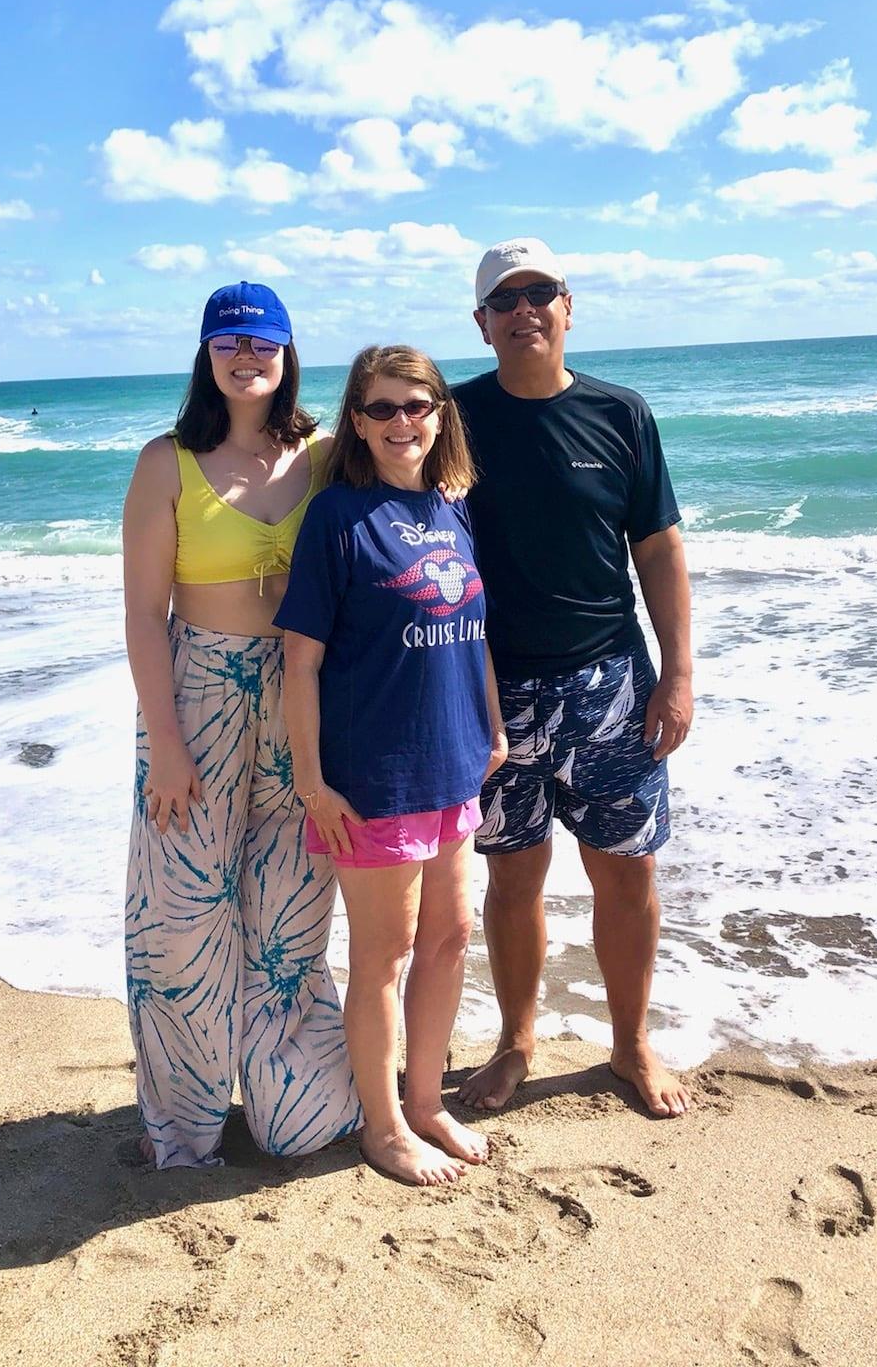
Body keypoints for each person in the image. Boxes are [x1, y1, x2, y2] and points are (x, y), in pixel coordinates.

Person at [452, 238, 694, 1119]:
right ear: (482, 325)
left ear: (567, 305)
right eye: (505, 301)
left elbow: (658, 546)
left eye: (540, 293)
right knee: (512, 879)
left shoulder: (622, 414)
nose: (525, 311)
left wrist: (677, 676)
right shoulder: (453, 419)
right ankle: (516, 1043)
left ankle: (630, 1045)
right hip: (493, 695)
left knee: (626, 875)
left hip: (614, 690)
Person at [121, 281, 361, 1168]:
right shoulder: (165, 462)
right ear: (206, 356)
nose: (247, 357)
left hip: (306, 694)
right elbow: (146, 616)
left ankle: (294, 1106)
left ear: (290, 352)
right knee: (181, 920)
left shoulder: (330, 453)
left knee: (293, 912)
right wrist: (169, 751)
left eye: (264, 342)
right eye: (230, 343)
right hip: (197, 693)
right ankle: (184, 1127)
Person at [276, 346, 508, 1186]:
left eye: (416, 405)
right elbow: (299, 664)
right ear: (358, 422)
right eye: (381, 409)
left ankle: (423, 1102)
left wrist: (491, 726)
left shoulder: (454, 508)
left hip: (453, 764)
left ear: (440, 413)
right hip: (372, 775)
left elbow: (473, 629)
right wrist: (312, 781)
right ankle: (381, 1127)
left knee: (451, 935)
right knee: (385, 954)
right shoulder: (338, 518)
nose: (401, 422)